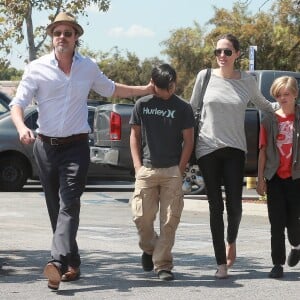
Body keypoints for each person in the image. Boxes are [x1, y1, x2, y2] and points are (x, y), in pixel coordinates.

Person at [9, 11, 154, 291]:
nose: (62, 37)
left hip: (76, 146)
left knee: (69, 203)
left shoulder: (88, 67)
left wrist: (145, 89)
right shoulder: (36, 68)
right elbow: (18, 103)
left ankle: (56, 262)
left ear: (76, 38)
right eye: (57, 33)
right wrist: (20, 127)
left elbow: (111, 89)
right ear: (52, 38)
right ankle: (71, 262)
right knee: (56, 208)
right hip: (45, 146)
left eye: (67, 33)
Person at [190, 33, 278, 279]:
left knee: (235, 206)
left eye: (227, 52)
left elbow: (264, 105)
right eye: (218, 51)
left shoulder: (247, 81)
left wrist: (287, 110)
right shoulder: (204, 77)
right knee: (215, 206)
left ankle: (232, 240)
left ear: (237, 54)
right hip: (207, 149)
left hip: (235, 151)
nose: (221, 56)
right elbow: (191, 108)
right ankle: (220, 262)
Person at [129, 64, 194, 281]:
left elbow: (189, 141)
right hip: (147, 169)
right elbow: (135, 137)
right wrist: (138, 167)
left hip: (171, 171)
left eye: (172, 86)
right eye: (164, 88)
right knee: (141, 217)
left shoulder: (183, 107)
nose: (169, 91)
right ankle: (149, 249)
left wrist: (180, 168)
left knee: (169, 220)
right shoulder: (142, 104)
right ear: (153, 84)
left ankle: (163, 265)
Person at [256, 76, 300, 279]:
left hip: (296, 178)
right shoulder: (269, 120)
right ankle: (277, 264)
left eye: (287, 94)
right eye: (279, 95)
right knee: (276, 223)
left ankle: (297, 245)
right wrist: (260, 178)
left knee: (294, 222)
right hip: (275, 178)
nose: (283, 98)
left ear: (295, 95)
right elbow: (263, 151)